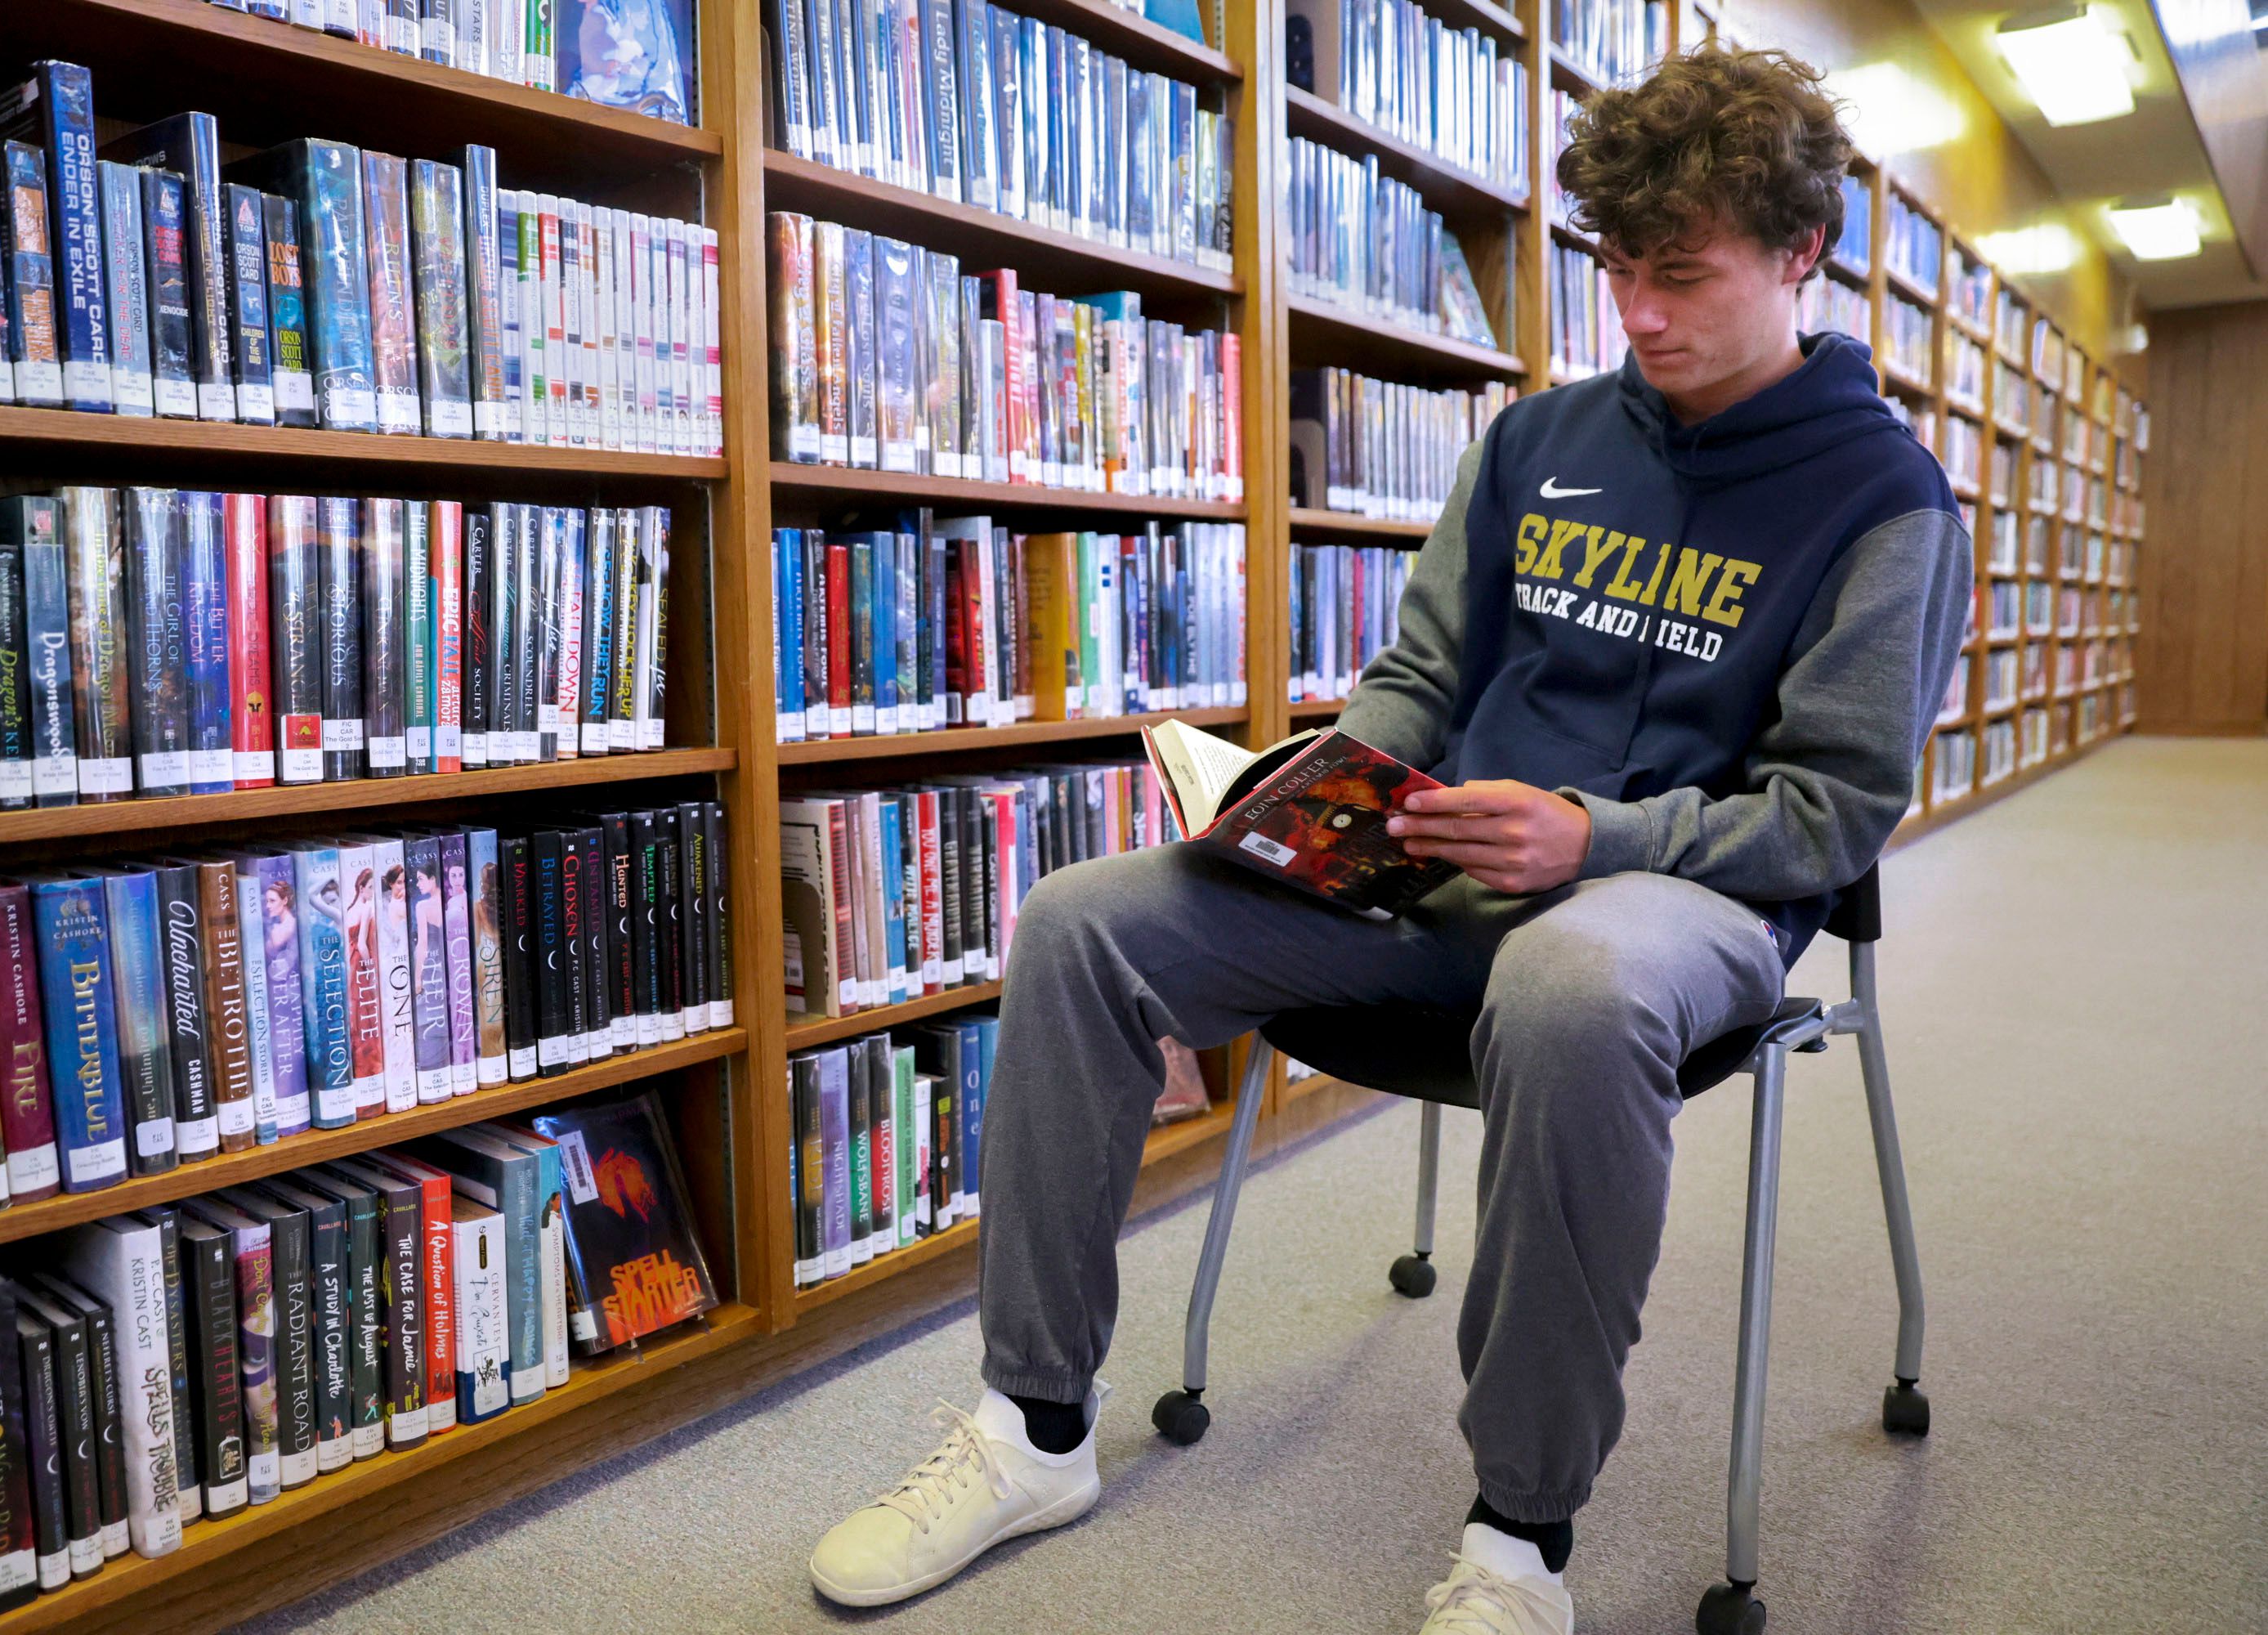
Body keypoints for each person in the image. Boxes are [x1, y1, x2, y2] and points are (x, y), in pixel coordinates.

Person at [807, 43, 1973, 1635]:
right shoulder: (1539, 440)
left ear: (1800, 256)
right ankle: (1036, 1428)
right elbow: (1425, 677)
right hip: (1431, 866)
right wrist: (1318, 787)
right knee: (1085, 919)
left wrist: (1595, 834)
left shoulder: (1885, 498)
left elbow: (1829, 812)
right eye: (1615, 265)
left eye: (1681, 274)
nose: (1636, 312)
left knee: (1572, 985)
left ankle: (1518, 1542)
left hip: (1679, 897)